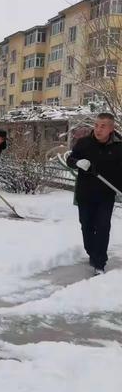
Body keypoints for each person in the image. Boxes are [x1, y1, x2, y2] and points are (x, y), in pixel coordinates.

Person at [67, 113, 122, 275]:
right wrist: (77, 162)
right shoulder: (84, 143)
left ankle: (100, 263)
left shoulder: (119, 147)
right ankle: (92, 252)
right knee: (86, 226)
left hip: (106, 195)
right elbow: (71, 159)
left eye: (103, 126)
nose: (98, 129)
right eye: (96, 125)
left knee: (103, 227)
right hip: (85, 194)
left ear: (111, 128)